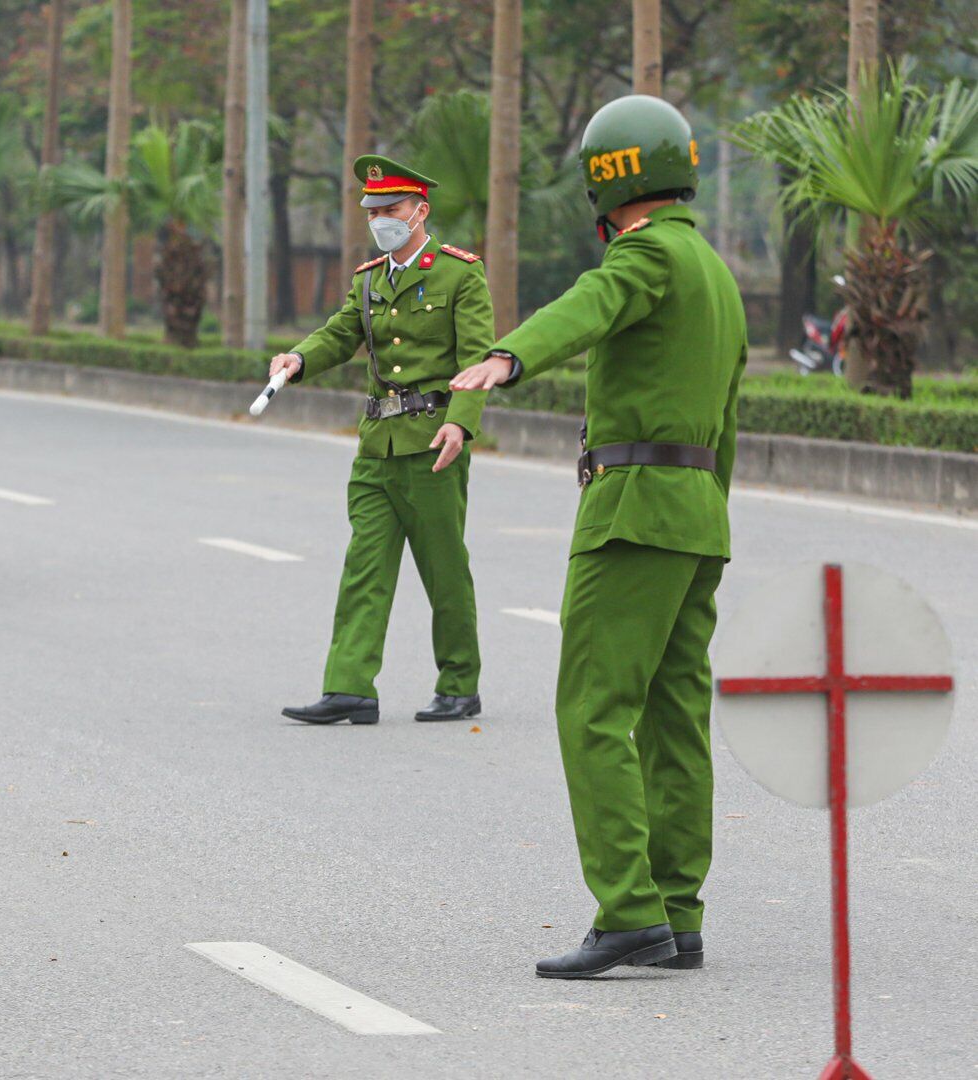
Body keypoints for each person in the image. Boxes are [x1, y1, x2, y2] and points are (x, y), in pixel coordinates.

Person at [450, 95, 747, 979]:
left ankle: (627, 912)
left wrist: (507, 356)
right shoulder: (714, 271)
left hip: (630, 510)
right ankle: (677, 912)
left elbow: (591, 301)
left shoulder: (646, 252)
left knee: (591, 710)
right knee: (674, 718)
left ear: (606, 176)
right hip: (698, 513)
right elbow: (727, 422)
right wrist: (709, 519)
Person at [271, 155, 493, 727]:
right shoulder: (368, 279)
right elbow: (341, 333)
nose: (380, 219)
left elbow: (475, 358)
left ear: (420, 210)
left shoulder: (459, 274)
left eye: (391, 209)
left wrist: (461, 423)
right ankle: (350, 687)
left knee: (444, 569)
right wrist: (298, 358)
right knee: (364, 567)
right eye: (373, 211)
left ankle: (459, 684)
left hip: (432, 442)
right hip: (377, 446)